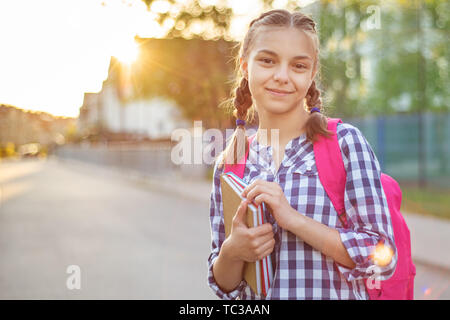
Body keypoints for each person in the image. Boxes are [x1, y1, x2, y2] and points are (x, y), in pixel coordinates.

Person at [207, 9, 397, 300]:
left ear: (311, 74)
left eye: (298, 66)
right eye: (268, 61)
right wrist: (233, 250)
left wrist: (293, 219)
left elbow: (383, 258)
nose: (282, 76)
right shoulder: (231, 162)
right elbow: (226, 287)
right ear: (245, 66)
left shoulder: (345, 144)